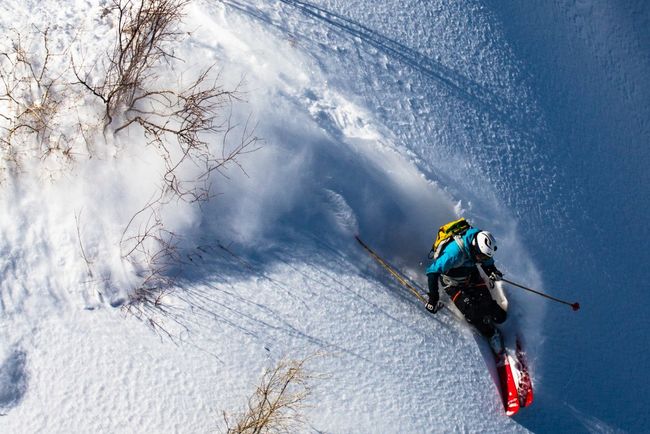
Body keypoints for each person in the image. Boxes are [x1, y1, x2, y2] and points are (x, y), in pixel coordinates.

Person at [424, 227, 507, 354]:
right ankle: (490, 334)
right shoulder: (454, 254)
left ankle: (490, 315)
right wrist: (433, 298)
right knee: (473, 312)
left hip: (471, 276)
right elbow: (432, 271)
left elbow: (488, 263)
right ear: (474, 247)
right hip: (453, 283)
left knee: (498, 315)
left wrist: (493, 272)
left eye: (484, 257)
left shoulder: (482, 250)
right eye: (480, 257)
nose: (482, 260)